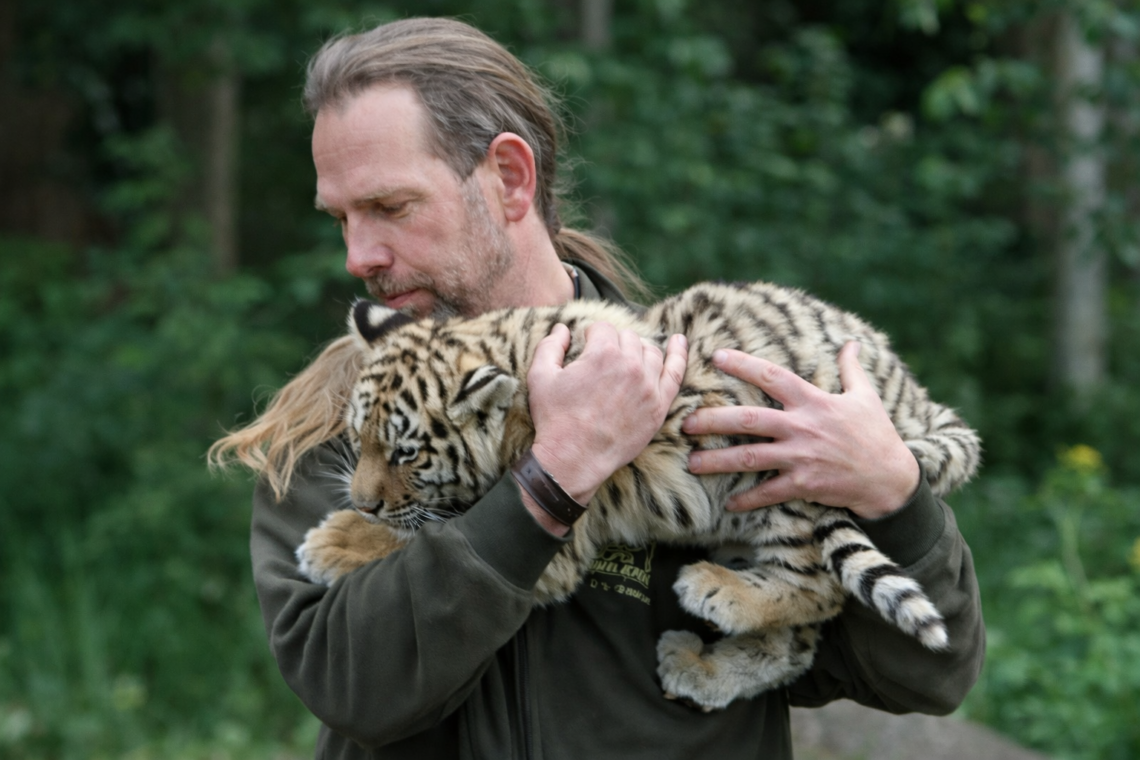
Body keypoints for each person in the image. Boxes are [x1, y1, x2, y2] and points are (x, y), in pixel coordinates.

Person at [210, 17, 984, 760]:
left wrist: (897, 499)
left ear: (509, 179)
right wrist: (551, 482)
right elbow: (352, 687)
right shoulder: (344, 432)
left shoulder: (700, 386)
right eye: (340, 219)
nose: (359, 256)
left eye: (390, 207)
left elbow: (927, 672)